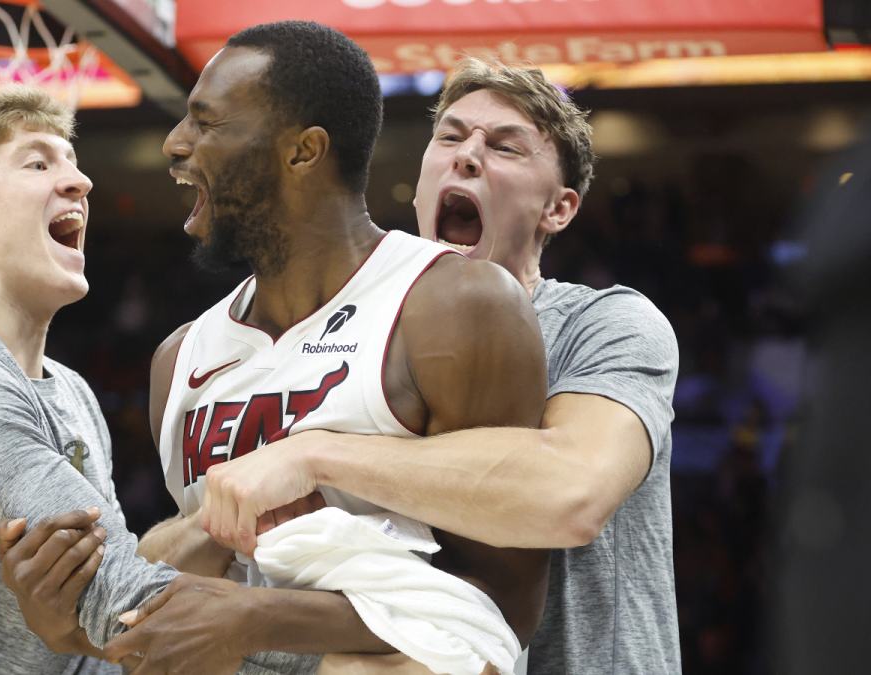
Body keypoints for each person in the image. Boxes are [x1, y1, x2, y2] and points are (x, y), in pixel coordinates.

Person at [0, 22, 551, 674]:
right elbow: (192, 609)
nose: (176, 143)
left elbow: (505, 610)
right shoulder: (179, 358)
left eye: (206, 122)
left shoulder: (453, 306)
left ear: (303, 152)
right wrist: (68, 618)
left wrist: (260, 619)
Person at [0, 86, 377, 675]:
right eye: (38, 163)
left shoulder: (71, 392)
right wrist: (360, 661)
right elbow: (123, 603)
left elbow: (100, 637)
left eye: (73, 163)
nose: (81, 182)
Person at [197, 58, 681, 674]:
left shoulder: (607, 324)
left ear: (558, 209)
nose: (468, 155)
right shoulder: (358, 333)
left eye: (505, 147)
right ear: (421, 183)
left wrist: (312, 454)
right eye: (449, 137)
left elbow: (571, 493)